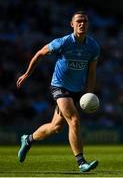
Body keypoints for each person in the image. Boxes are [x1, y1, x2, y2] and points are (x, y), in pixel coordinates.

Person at [16, 11, 100, 173]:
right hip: (59, 86)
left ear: (88, 24)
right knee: (74, 120)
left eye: (85, 21)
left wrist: (88, 94)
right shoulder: (62, 42)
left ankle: (28, 139)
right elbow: (40, 53)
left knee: (56, 127)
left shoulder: (93, 47)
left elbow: (91, 73)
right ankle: (81, 162)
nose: (82, 24)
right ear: (72, 24)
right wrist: (27, 74)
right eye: (79, 21)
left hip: (77, 90)